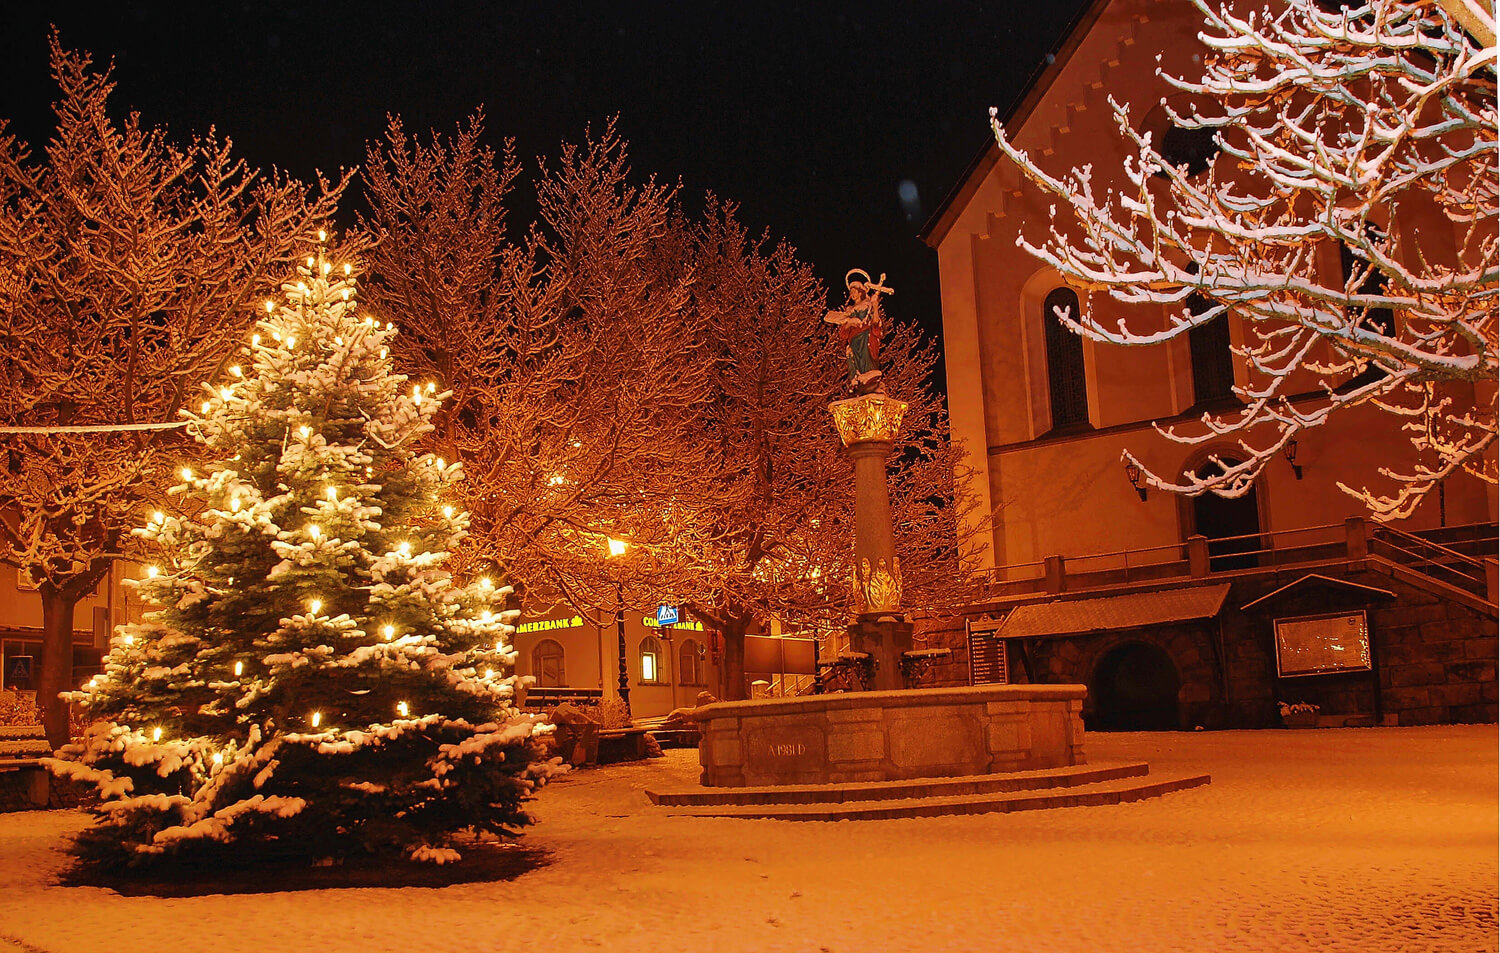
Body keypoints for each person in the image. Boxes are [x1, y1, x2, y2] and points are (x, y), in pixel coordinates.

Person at [825, 269, 894, 394]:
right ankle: (856, 381)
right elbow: (843, 332)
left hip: (866, 337)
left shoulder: (868, 305)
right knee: (852, 358)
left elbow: (875, 322)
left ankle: (869, 382)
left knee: (867, 359)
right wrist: (849, 323)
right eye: (850, 292)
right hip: (853, 340)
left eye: (854, 291)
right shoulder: (849, 309)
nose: (852, 294)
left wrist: (875, 306)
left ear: (861, 292)